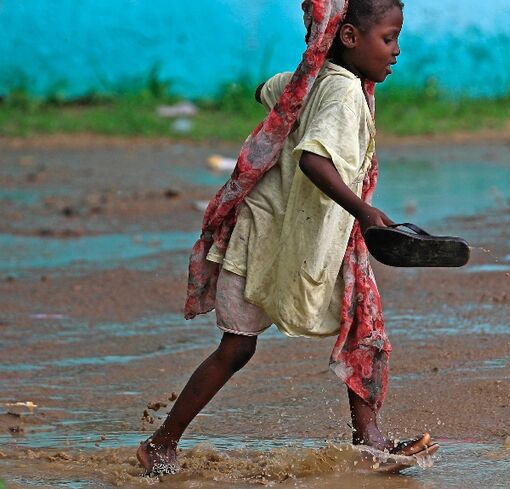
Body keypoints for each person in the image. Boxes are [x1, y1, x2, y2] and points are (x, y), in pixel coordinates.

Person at [137, 0, 436, 475]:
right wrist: (364, 210)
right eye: (389, 38)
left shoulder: (312, 78)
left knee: (353, 327)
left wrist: (288, 84)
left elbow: (268, 89)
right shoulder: (342, 94)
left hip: (289, 235)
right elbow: (313, 161)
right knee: (252, 345)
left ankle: (368, 440)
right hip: (278, 237)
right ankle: (161, 442)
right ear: (350, 38)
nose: (397, 51)